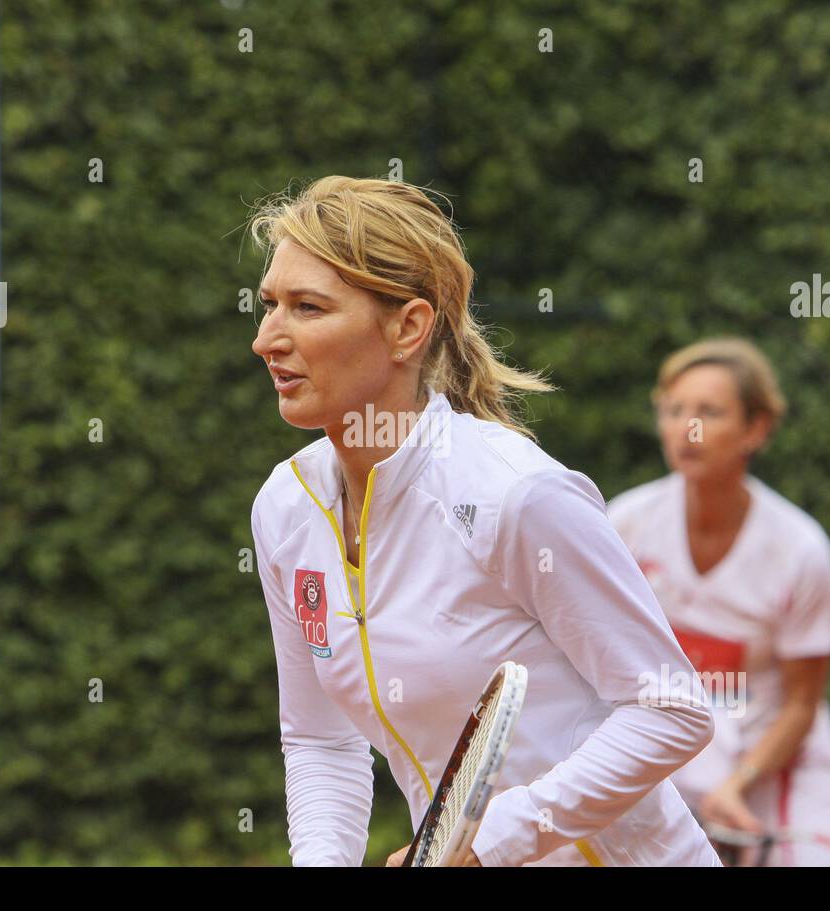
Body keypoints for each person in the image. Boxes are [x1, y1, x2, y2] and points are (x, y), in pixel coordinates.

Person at [247, 175, 719, 866]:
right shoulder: (285, 509)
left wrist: (488, 841)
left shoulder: (518, 495)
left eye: (307, 308)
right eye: (269, 306)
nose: (267, 339)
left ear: (408, 327)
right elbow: (322, 739)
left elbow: (672, 709)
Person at [606, 337, 830, 865]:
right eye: (674, 411)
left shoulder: (802, 551)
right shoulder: (623, 524)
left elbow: (801, 704)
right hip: (669, 749)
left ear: (757, 428)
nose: (687, 428)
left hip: (779, 761)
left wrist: (737, 785)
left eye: (710, 412)